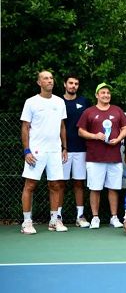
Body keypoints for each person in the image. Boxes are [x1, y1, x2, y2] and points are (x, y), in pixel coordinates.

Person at [20, 70, 68, 234]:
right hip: (36, 151)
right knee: (30, 185)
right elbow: (25, 127)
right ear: (39, 82)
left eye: (51, 78)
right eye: (45, 78)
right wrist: (27, 150)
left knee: (55, 185)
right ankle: (27, 222)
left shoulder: (60, 102)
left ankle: (54, 221)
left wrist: (64, 148)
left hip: (55, 151)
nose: (50, 81)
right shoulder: (31, 102)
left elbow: (62, 126)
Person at [77, 82, 126, 229]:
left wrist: (119, 139)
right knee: (95, 188)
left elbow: (125, 128)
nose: (106, 95)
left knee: (113, 188)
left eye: (108, 93)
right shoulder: (89, 112)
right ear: (97, 95)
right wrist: (95, 136)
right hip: (95, 157)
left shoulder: (117, 110)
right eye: (103, 93)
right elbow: (81, 131)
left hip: (114, 157)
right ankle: (95, 218)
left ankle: (114, 217)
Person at [62, 74, 91, 228]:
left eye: (76, 83)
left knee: (79, 183)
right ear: (65, 84)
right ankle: (57, 216)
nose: (73, 86)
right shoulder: (58, 102)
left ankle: (80, 216)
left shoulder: (84, 102)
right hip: (62, 151)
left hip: (81, 149)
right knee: (60, 184)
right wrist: (62, 147)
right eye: (71, 83)